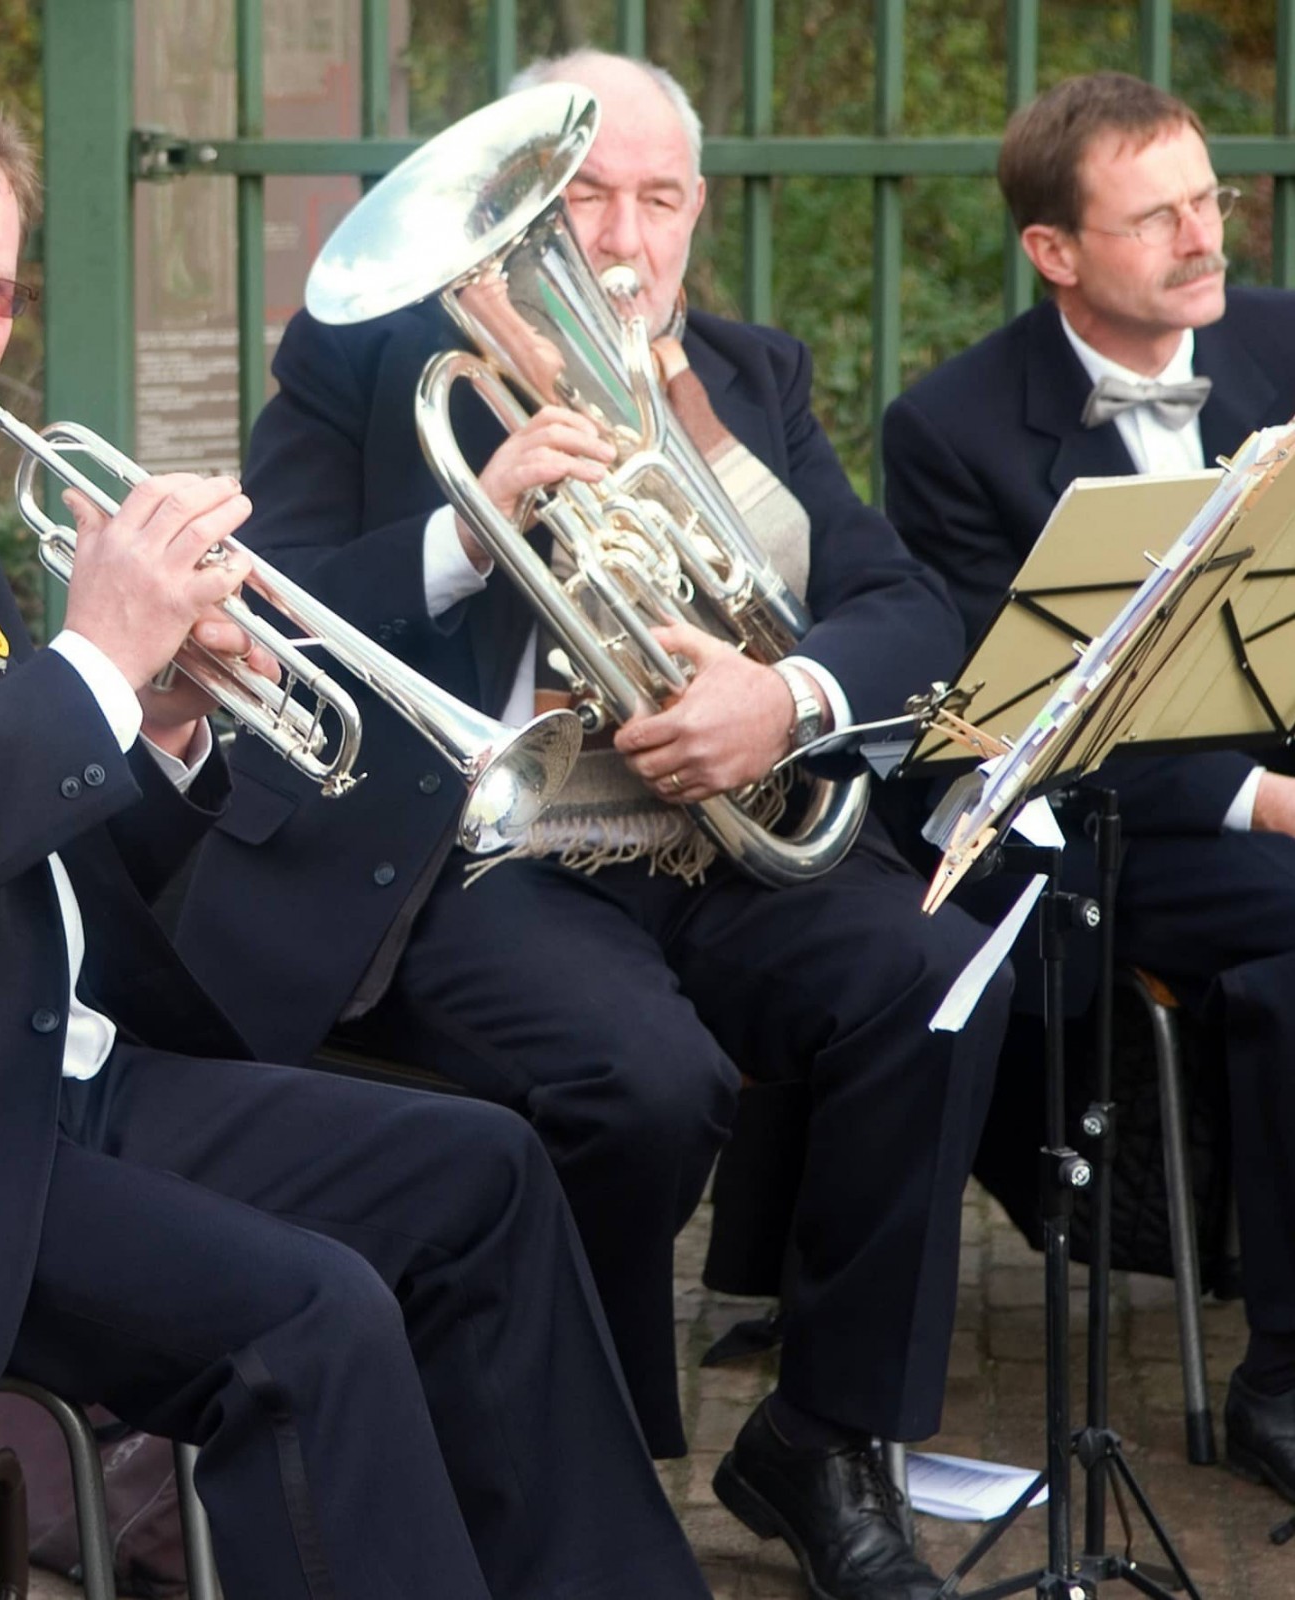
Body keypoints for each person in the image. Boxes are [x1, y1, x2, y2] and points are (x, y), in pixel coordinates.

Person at [0, 77, 718, 1600]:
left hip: (43, 1077)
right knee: (313, 1321)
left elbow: (38, 851)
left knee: (485, 1176)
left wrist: (161, 714)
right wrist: (94, 665)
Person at [173, 50, 1013, 1600]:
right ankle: (589, 1459)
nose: (622, 239)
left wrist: (791, 699)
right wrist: (467, 524)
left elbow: (906, 603)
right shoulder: (366, 363)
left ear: (699, 212)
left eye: (660, 197)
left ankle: (823, 1437)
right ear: (516, 207)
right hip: (487, 848)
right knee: (639, 1085)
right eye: (584, 196)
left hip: (713, 825)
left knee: (938, 981)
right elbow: (264, 611)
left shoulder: (748, 374)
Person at [882, 70, 1295, 1507]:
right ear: (1053, 251)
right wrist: (1265, 801)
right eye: (1155, 219)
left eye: (1209, 199)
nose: (1204, 240)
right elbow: (1041, 713)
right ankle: (1279, 1378)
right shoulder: (950, 428)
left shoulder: (1287, 343)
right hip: (1127, 824)